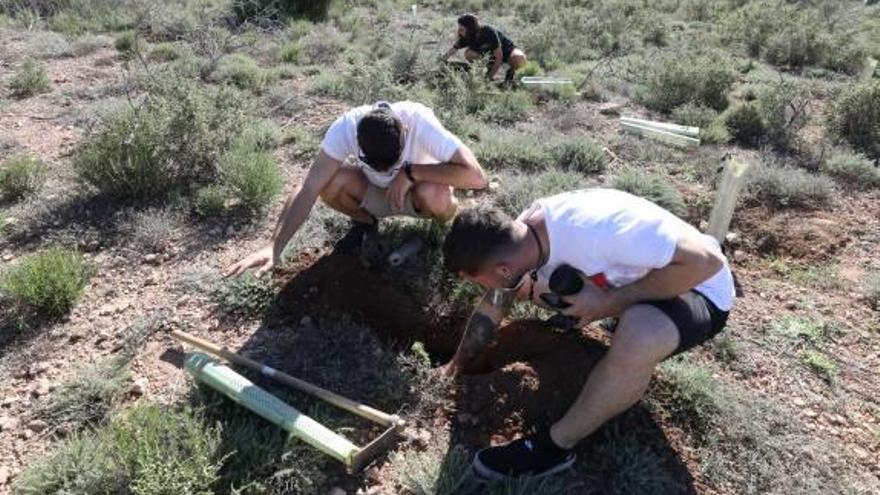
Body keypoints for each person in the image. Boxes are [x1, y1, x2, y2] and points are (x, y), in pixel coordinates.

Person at [441, 188, 735, 480]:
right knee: (534, 287)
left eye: (477, 281)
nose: (482, 287)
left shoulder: (598, 232)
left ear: (503, 269)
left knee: (639, 332)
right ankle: (614, 312)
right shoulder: (522, 235)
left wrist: (609, 302)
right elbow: (496, 301)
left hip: (698, 286)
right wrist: (457, 364)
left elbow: (706, 262)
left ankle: (554, 448)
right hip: (643, 275)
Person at [225, 101, 486, 278]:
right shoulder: (346, 128)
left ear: (405, 131)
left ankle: (439, 231)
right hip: (375, 194)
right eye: (375, 163)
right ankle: (367, 224)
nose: (385, 170)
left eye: (392, 162)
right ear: (358, 142)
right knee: (329, 181)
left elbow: (476, 177)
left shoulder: (419, 121)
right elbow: (308, 187)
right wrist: (274, 246)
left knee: (436, 194)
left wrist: (411, 172)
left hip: (420, 196)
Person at [443, 13, 527, 84]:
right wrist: (440, 60)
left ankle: (511, 73)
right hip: (490, 56)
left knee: (519, 58)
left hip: (507, 52)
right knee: (469, 54)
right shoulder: (466, 36)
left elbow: (499, 57)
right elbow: (453, 50)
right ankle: (486, 70)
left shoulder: (488, 32)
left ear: (470, 28)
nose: (459, 31)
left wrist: (488, 79)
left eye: (462, 28)